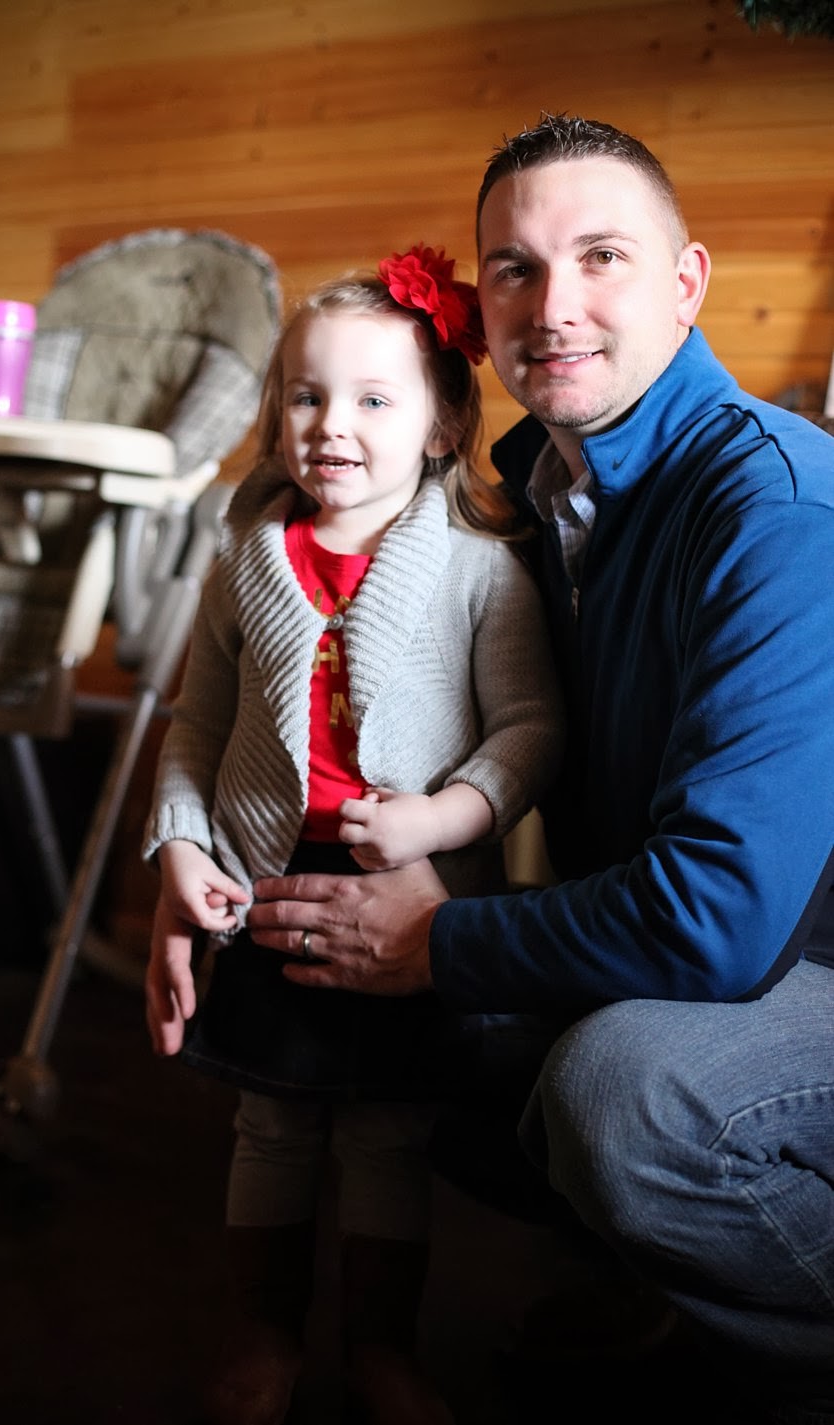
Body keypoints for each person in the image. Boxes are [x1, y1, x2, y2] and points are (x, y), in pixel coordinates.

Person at [241, 115, 834, 1423]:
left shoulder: (775, 507)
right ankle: (669, 1281)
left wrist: (438, 940)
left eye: (600, 256)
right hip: (705, 943)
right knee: (421, 1046)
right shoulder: (526, 495)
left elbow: (725, 916)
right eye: (513, 267)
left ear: (685, 282)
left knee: (627, 1095)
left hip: (806, 964)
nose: (552, 305)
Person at [143, 247, 564, 1424]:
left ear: (441, 426)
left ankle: (381, 1348)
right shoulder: (246, 562)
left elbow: (530, 730)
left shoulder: (480, 570)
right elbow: (195, 725)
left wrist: (444, 814)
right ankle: (264, 1332)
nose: (331, 425)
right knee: (269, 1124)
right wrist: (180, 847)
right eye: (306, 395)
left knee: (386, 1135)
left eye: (374, 400)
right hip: (268, 880)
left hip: (410, 888)